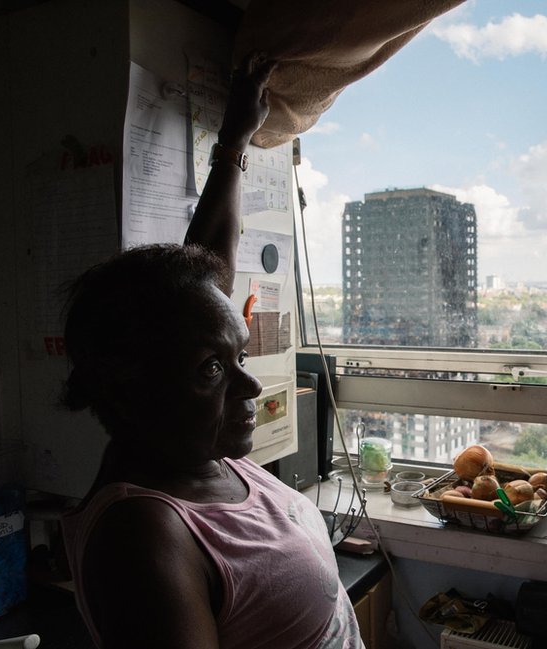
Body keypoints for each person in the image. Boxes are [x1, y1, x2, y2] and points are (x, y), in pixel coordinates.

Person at [60, 55, 365, 649]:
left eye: (240, 357)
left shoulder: (195, 450)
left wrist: (233, 144)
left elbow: (204, 287)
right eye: (212, 371)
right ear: (128, 388)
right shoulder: (145, 536)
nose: (250, 387)